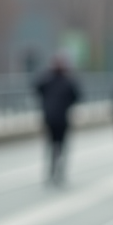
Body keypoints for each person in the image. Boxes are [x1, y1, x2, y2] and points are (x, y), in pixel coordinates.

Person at [35, 56, 81, 186]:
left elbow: (37, 89)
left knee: (50, 145)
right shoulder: (67, 81)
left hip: (49, 118)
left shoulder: (47, 80)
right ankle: (59, 170)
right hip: (62, 119)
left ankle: (52, 170)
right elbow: (77, 96)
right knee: (61, 146)